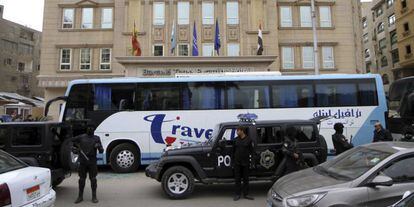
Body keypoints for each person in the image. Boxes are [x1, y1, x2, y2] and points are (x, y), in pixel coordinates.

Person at [72, 124, 104, 204]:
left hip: (92, 161)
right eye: (89, 128)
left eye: (92, 128)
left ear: (94, 129)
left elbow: (101, 151)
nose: (90, 129)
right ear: (86, 129)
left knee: (93, 179)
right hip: (83, 161)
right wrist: (75, 148)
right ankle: (80, 196)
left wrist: (99, 146)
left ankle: (94, 196)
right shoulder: (81, 137)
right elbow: (71, 141)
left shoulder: (96, 138)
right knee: (81, 179)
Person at [232, 126, 255, 201]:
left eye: (238, 130)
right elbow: (232, 152)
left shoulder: (249, 140)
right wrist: (232, 162)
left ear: (242, 131)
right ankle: (237, 194)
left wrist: (252, 163)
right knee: (237, 179)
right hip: (237, 163)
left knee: (246, 179)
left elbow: (252, 151)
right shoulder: (235, 140)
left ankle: (246, 194)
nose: (236, 132)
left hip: (246, 163)